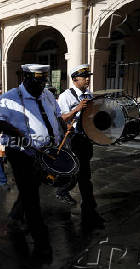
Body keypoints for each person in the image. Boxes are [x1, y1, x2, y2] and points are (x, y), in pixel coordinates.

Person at [0, 64, 64, 262]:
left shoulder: (46, 94)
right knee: (32, 199)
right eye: (37, 81)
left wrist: (62, 128)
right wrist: (15, 132)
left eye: (43, 81)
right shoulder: (9, 97)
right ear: (26, 78)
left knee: (30, 189)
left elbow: (55, 115)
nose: (41, 85)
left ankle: (14, 216)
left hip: (45, 151)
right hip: (21, 153)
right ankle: (42, 243)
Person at [56, 64, 104, 230]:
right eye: (85, 77)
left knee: (81, 175)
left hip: (86, 139)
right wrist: (77, 109)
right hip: (73, 141)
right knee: (82, 177)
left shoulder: (89, 94)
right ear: (75, 79)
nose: (88, 79)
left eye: (88, 76)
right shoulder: (65, 96)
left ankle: (68, 193)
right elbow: (61, 119)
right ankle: (89, 210)